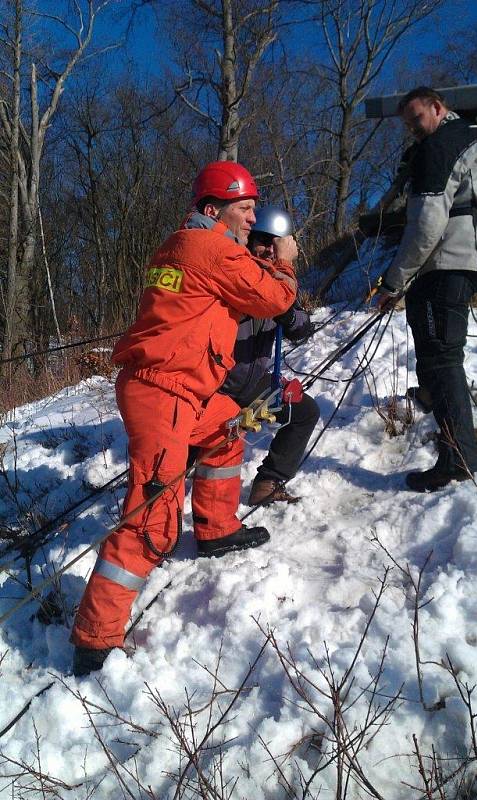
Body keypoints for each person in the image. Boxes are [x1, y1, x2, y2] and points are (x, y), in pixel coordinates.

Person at [70, 161, 298, 676]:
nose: (252, 218)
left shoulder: (182, 246)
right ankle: (94, 637)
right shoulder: (211, 248)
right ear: (213, 209)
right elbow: (276, 299)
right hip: (163, 392)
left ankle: (215, 528)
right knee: (152, 515)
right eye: (244, 209)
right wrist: (284, 263)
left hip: (182, 391)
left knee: (227, 426)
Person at [377, 86, 477, 491]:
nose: (414, 129)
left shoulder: (439, 147)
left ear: (438, 107)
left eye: (417, 118)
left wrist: (393, 280)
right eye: (407, 124)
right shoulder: (471, 137)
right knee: (443, 357)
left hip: (444, 263)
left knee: (440, 360)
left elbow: (426, 225)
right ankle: (462, 446)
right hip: (464, 260)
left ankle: (458, 459)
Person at [219, 206, 320, 505]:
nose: (267, 250)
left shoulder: (280, 281)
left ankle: (269, 481)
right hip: (216, 383)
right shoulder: (233, 269)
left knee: (304, 413)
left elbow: (301, 328)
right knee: (203, 444)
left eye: (275, 244)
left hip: (254, 383)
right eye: (262, 241)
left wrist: (287, 314)